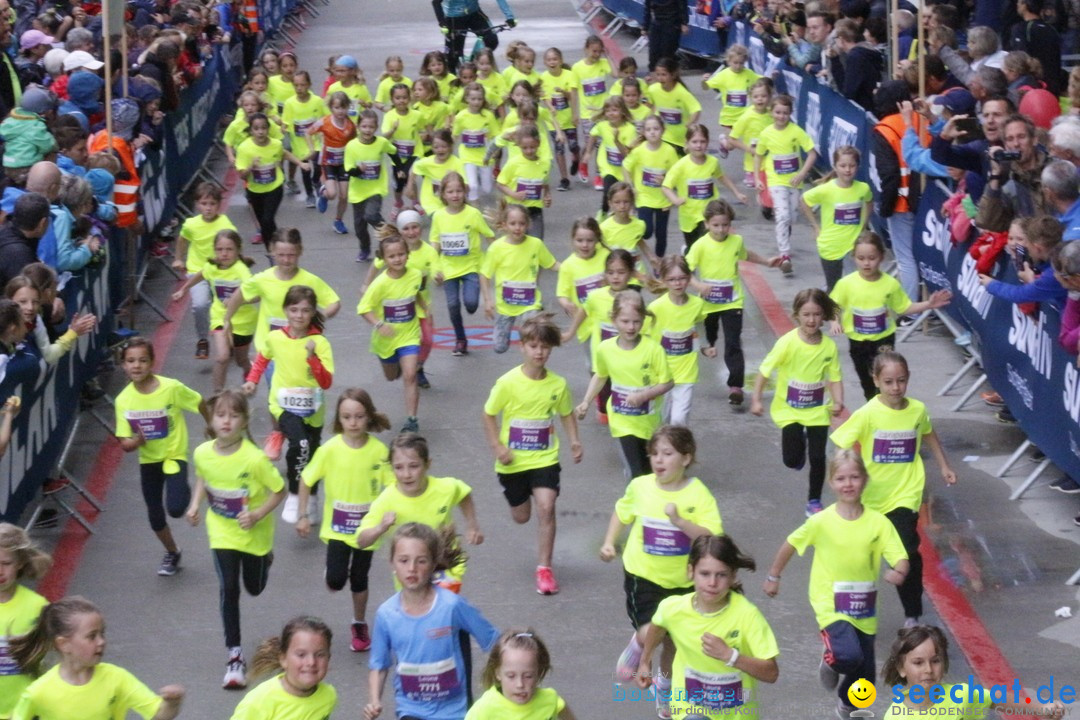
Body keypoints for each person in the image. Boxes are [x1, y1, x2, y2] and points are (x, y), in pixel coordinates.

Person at [763, 449, 909, 719]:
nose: (848, 484)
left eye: (854, 477)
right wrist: (774, 575)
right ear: (832, 483)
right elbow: (791, 544)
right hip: (829, 602)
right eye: (841, 478)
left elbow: (899, 556)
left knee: (865, 681)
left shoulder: (878, 523)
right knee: (848, 656)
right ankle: (831, 659)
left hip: (864, 608)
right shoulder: (821, 521)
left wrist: (898, 572)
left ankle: (846, 704)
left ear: (865, 480)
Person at [831, 349, 957, 626]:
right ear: (875, 381)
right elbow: (841, 443)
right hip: (872, 497)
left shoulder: (917, 410)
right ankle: (850, 610)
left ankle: (912, 615)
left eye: (901, 381)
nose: (895, 387)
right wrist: (846, 476)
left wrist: (944, 465)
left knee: (906, 550)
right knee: (860, 556)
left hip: (906, 493)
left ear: (908, 379)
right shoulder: (868, 414)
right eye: (888, 382)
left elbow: (928, 434)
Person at [602, 425, 722, 711]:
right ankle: (639, 643)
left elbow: (713, 535)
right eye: (654, 453)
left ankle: (665, 688)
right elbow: (622, 513)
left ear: (686, 458)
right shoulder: (640, 487)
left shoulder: (698, 494)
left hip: (684, 581)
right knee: (653, 630)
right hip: (643, 576)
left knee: (674, 640)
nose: (658, 460)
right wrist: (609, 542)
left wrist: (681, 522)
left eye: (667, 453)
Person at [186, 389, 286, 689]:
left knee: (253, 588)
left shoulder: (255, 460)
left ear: (244, 421)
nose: (226, 421)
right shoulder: (202, 453)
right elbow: (204, 476)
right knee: (228, 586)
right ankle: (235, 656)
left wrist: (256, 515)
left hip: (254, 535)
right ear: (211, 420)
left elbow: (279, 491)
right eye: (220, 415)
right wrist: (194, 505)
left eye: (233, 415)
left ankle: (265, 561)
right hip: (222, 532)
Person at [483, 314, 582, 595]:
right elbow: (488, 414)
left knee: (546, 507)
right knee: (521, 516)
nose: (539, 352)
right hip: (512, 462)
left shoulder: (558, 385)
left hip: (545, 458)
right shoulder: (507, 383)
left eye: (545, 347)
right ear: (522, 347)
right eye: (533, 346)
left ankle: (544, 569)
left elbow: (566, 414)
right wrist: (497, 447)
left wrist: (574, 441)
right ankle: (519, 497)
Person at [224, 228, 341, 464]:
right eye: (281, 255)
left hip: (301, 349)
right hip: (272, 350)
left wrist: (316, 319)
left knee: (301, 389)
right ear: (272, 252)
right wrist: (226, 319)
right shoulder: (263, 279)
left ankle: (304, 428)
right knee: (276, 395)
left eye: (291, 255)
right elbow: (240, 294)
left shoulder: (309, 280)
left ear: (300, 253)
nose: (286, 261)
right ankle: (277, 432)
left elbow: (334, 302)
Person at [363, 523, 500, 720]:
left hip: (454, 711)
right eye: (403, 560)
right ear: (392, 563)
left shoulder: (452, 606)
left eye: (421, 561)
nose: (412, 568)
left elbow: (494, 641)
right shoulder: (386, 614)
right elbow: (379, 664)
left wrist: (507, 681)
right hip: (411, 710)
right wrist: (374, 700)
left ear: (434, 563)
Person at [635, 535, 780, 720]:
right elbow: (658, 626)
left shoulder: (747, 616)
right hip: (689, 710)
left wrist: (730, 656)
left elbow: (771, 673)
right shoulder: (673, 609)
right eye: (705, 574)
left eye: (721, 575)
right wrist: (645, 662)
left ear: (733, 576)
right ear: (691, 572)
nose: (712, 583)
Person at [297, 389, 392, 653]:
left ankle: (359, 623)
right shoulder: (330, 450)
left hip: (367, 530)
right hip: (337, 529)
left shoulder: (379, 451)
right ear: (339, 419)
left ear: (368, 417)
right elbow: (306, 480)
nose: (353, 422)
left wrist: (390, 517)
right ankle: (333, 571)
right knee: (337, 580)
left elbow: (393, 486)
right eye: (347, 417)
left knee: (360, 578)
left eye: (359, 416)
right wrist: (303, 514)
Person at [242, 286, 335, 523]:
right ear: (285, 310)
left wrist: (312, 358)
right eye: (294, 310)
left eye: (305, 310)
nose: (299, 315)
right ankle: (294, 494)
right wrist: (252, 381)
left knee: (312, 454)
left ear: (313, 312)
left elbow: (326, 382)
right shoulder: (275, 337)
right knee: (300, 444)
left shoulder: (320, 342)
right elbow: (262, 358)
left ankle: (311, 500)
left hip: (313, 410)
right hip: (282, 406)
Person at [9, 596, 185, 720]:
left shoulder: (117, 678)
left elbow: (159, 714)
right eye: (92, 636)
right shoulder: (38, 692)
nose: (101, 641)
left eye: (102, 633)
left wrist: (172, 703)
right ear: (63, 644)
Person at [114, 337, 203, 576]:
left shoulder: (171, 387)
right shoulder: (123, 400)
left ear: (152, 362)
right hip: (149, 461)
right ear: (123, 365)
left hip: (174, 456)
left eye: (143, 360)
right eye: (131, 361)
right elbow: (124, 444)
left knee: (175, 508)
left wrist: (212, 425)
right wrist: (138, 441)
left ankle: (183, 486)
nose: (136, 366)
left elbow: (200, 402)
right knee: (155, 516)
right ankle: (172, 552)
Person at [750, 289, 843, 517]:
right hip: (789, 411)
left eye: (817, 314)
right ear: (797, 315)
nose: (811, 320)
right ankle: (798, 446)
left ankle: (814, 500)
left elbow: (835, 378)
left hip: (817, 412)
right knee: (791, 460)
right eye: (806, 314)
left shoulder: (828, 347)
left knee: (819, 457)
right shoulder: (787, 343)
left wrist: (839, 401)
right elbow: (764, 371)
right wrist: (756, 399)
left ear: (824, 316)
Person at [830, 233, 953, 400]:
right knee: (867, 382)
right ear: (854, 258)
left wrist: (928, 305)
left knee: (885, 379)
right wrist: (834, 321)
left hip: (883, 340)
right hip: (858, 342)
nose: (866, 263)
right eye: (861, 258)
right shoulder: (846, 284)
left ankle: (888, 411)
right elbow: (834, 304)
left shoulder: (890, 284)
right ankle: (872, 409)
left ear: (881, 257)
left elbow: (904, 307)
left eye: (872, 258)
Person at [355, 433, 484, 592]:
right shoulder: (386, 501)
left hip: (444, 565)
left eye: (414, 466)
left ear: (427, 464)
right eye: (399, 467)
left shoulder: (446, 487)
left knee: (442, 611)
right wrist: (380, 527)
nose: (406, 474)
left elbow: (463, 494)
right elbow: (361, 541)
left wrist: (472, 526)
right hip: (410, 573)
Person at [687, 200, 780, 407]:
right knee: (710, 337)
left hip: (732, 302)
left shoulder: (736, 241)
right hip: (709, 303)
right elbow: (687, 271)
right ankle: (707, 345)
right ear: (707, 224)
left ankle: (736, 387)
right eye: (716, 225)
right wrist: (698, 285)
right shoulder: (700, 245)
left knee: (733, 343)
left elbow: (746, 255)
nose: (721, 230)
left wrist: (767, 262)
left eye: (725, 225)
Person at [576, 290, 673, 480]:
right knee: (636, 474)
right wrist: (586, 401)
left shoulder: (653, 350)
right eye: (625, 321)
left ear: (643, 320)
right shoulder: (605, 349)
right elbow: (600, 376)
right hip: (622, 421)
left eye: (636, 321)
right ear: (614, 320)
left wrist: (644, 396)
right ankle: (633, 508)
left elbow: (668, 382)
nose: (631, 327)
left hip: (649, 421)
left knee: (650, 473)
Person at [172, 230, 258, 393]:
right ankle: (218, 395)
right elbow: (199, 276)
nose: (224, 254)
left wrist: (236, 300)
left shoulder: (242, 271)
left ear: (238, 250)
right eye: (219, 249)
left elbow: (255, 296)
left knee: (241, 360)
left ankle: (250, 379)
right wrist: (183, 290)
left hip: (243, 321)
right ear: (214, 250)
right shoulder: (211, 267)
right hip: (220, 317)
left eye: (229, 249)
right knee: (222, 357)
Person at [357, 233, 425, 434]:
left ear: (407, 254)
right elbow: (363, 308)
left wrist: (424, 309)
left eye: (401, 254)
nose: (397, 259)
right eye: (392, 256)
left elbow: (417, 292)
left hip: (410, 335)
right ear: (384, 259)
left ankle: (411, 419)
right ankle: (394, 365)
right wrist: (379, 324)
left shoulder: (415, 274)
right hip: (386, 340)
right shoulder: (380, 284)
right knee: (391, 376)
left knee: (410, 376)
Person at [363, 213, 439, 390]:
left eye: (415, 227)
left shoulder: (429, 251)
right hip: (399, 305)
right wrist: (366, 283)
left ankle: (416, 367)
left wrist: (437, 276)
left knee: (427, 340)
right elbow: (376, 264)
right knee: (400, 342)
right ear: (400, 231)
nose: (411, 232)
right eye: (406, 228)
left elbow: (436, 267)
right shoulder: (394, 249)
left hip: (420, 304)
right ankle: (406, 364)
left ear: (421, 228)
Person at [430, 173, 495, 357]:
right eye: (450, 191)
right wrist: (435, 269)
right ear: (443, 194)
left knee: (471, 303)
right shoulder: (439, 216)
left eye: (459, 191)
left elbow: (489, 235)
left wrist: (499, 255)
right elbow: (435, 243)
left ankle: (471, 305)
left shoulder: (473, 214)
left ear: (465, 192)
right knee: (452, 305)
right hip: (448, 268)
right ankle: (460, 339)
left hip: (471, 267)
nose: (455, 195)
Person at [480, 203, 558, 353]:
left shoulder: (535, 244)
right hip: (505, 305)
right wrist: (488, 300)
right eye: (513, 224)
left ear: (528, 224)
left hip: (530, 303)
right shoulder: (496, 248)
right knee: (499, 347)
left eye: (522, 224)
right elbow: (484, 275)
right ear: (504, 225)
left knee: (533, 336)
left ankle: (531, 361)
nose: (517, 228)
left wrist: (572, 268)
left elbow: (552, 264)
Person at [173, 184, 239, 361]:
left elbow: (235, 244)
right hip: (196, 270)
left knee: (225, 305)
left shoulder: (225, 224)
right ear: (197, 205)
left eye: (212, 203)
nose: (208, 208)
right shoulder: (191, 224)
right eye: (204, 203)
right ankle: (203, 339)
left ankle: (226, 336)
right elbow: (182, 240)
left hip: (220, 272)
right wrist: (178, 258)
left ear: (218, 205)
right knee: (200, 305)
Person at [754, 94, 817, 275]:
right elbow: (758, 155)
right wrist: (758, 179)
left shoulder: (796, 131)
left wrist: (802, 174)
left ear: (790, 114)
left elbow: (812, 154)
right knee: (782, 216)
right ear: (771, 112)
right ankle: (785, 255)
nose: (781, 116)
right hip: (775, 181)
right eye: (778, 112)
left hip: (794, 182)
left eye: (785, 113)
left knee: (791, 217)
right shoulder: (766, 133)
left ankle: (784, 236)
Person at [229, 617, 337, 719]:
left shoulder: (328, 696)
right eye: (301, 655)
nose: (311, 662)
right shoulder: (259, 701)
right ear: (283, 659)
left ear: (328, 658)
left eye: (320, 655)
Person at [663, 123, 747, 249]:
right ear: (687, 143)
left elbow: (721, 177)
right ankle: (686, 251)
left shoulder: (712, 162)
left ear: (707, 143)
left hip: (709, 213)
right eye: (694, 141)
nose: (698, 145)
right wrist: (675, 200)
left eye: (702, 141)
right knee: (693, 249)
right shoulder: (681, 166)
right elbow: (666, 186)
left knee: (709, 245)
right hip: (689, 215)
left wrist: (737, 193)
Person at [801, 147, 873, 291]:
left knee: (856, 287)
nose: (847, 170)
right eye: (843, 166)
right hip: (830, 246)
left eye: (852, 166)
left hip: (853, 247)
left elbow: (869, 202)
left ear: (858, 166)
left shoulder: (863, 188)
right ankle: (833, 313)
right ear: (835, 167)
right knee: (834, 288)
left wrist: (864, 225)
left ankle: (852, 314)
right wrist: (815, 226)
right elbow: (804, 200)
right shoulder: (826, 190)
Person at [646, 256, 708, 424]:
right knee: (661, 419)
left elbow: (699, 323)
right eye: (672, 280)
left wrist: (705, 346)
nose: (677, 283)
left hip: (686, 372)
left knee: (679, 420)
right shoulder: (655, 308)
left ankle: (677, 448)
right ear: (664, 281)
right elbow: (644, 337)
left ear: (689, 278)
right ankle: (661, 449)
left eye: (682, 278)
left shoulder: (697, 304)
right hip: (661, 374)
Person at [234, 113, 313, 244]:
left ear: (268, 129)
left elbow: (284, 153)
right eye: (256, 128)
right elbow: (242, 175)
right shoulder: (245, 148)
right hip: (255, 190)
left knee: (267, 219)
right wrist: (251, 166)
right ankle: (273, 250)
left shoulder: (275, 144)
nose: (260, 132)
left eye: (264, 128)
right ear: (251, 130)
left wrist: (300, 163)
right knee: (264, 224)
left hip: (274, 187)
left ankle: (277, 246)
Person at [0, 523, 50, 719]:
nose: (0, 571)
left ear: (20, 562)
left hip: (26, 711)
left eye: (6, 563)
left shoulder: (39, 607)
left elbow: (52, 662)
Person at [466, 629, 575, 719]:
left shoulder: (550, 700)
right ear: (497, 673)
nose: (520, 684)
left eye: (528, 676)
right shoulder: (483, 710)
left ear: (538, 672)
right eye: (511, 676)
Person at [344, 109, 396, 262]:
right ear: (358, 126)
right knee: (359, 227)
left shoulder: (381, 143)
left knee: (371, 215)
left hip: (376, 188)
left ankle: (388, 235)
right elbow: (349, 171)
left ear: (376, 127)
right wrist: (358, 171)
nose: (367, 130)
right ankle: (365, 248)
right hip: (358, 191)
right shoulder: (351, 146)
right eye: (364, 126)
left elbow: (393, 152)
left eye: (371, 127)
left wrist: (400, 169)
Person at [624, 115, 678, 257]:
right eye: (648, 129)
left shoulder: (669, 151)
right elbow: (625, 167)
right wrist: (631, 187)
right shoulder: (639, 151)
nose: (652, 132)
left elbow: (676, 173)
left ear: (663, 130)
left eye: (656, 129)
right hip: (644, 198)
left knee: (661, 234)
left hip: (663, 200)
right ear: (643, 132)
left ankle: (659, 264)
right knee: (647, 232)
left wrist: (666, 180)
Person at [307, 91, 356, 234]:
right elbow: (308, 132)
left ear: (348, 108)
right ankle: (324, 194)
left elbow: (354, 143)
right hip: (327, 162)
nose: (340, 111)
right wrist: (312, 150)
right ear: (331, 108)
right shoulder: (325, 122)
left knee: (344, 195)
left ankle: (338, 221)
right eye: (336, 108)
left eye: (343, 107)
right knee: (332, 194)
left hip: (343, 164)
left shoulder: (351, 126)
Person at [572, 36, 614, 189]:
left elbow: (615, 74)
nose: (596, 54)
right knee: (591, 142)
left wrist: (608, 56)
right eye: (593, 51)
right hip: (587, 114)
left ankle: (598, 175)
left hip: (603, 113)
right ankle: (583, 163)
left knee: (601, 145)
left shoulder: (603, 63)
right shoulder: (577, 68)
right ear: (586, 49)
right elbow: (574, 91)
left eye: (599, 51)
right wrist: (574, 113)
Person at [496, 126, 553, 239]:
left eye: (532, 147)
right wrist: (513, 194)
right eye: (524, 148)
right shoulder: (514, 163)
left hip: (535, 211)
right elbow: (500, 183)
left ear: (538, 143)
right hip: (515, 209)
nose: (529, 151)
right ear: (519, 146)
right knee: (516, 241)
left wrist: (547, 197)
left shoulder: (545, 164)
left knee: (537, 241)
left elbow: (545, 183)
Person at [703, 45, 760, 156]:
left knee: (752, 140)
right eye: (735, 63)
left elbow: (760, 79)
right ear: (728, 61)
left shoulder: (748, 74)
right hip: (729, 117)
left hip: (745, 116)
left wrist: (771, 78)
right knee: (730, 146)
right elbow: (706, 86)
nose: (738, 66)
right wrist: (704, 80)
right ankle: (723, 139)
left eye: (741, 63)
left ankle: (754, 159)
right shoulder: (723, 75)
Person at [585, 97, 638, 215]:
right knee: (608, 191)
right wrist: (588, 152)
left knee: (625, 195)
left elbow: (626, 154)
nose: (611, 113)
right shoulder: (602, 126)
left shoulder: (630, 129)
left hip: (624, 169)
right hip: (608, 167)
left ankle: (627, 215)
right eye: (608, 110)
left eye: (614, 110)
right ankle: (603, 213)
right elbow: (593, 135)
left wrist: (616, 140)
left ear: (622, 111)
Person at [433, 0, 516, 73]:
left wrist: (510, 17)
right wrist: (442, 23)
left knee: (491, 41)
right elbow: (436, 2)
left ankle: (475, 61)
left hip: (475, 13)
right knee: (452, 58)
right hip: (454, 18)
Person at [452, 83, 500, 203]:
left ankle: (478, 180)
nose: (476, 102)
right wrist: (450, 156)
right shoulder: (461, 116)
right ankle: (473, 206)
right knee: (472, 186)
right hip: (467, 155)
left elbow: (496, 136)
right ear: (467, 99)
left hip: (485, 156)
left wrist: (496, 151)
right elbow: (455, 135)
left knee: (487, 189)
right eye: (473, 99)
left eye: (479, 99)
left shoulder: (488, 116)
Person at [647, 58, 702, 157]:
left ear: (673, 75)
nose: (660, 78)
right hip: (663, 136)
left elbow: (696, 109)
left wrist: (689, 124)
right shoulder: (653, 89)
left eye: (664, 75)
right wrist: (652, 110)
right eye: (658, 74)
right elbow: (645, 101)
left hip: (680, 140)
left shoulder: (681, 92)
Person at [643, 0, 688, 72]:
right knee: (653, 54)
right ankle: (653, 74)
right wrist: (645, 26)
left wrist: (684, 22)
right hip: (656, 23)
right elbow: (647, 8)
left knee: (666, 53)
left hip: (672, 23)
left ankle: (668, 73)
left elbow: (682, 6)